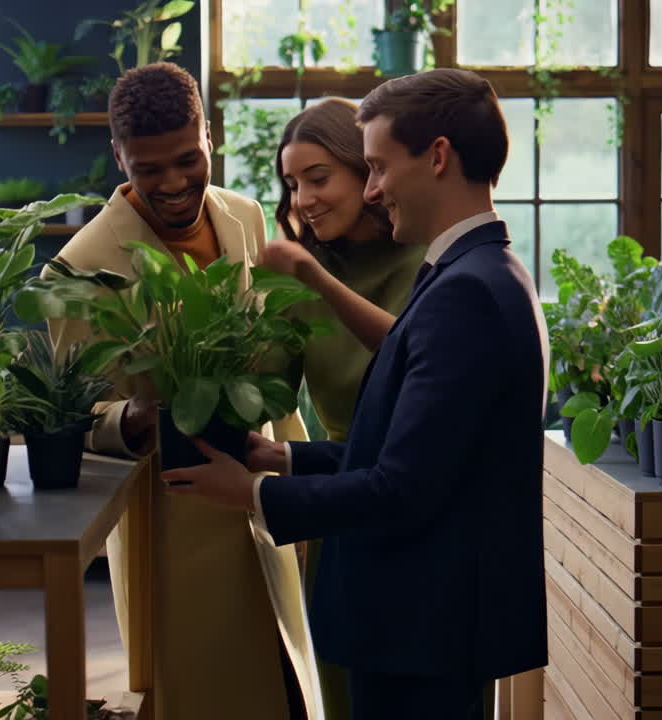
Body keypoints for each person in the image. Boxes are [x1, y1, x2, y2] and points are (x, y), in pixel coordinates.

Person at [162, 68, 550, 720]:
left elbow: (400, 490)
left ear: (438, 157)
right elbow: (423, 463)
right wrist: (284, 458)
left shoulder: (466, 292)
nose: (372, 189)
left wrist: (252, 492)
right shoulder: (472, 273)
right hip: (415, 621)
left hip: (418, 623)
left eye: (378, 167)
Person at [42, 62, 321, 720]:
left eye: (187, 159)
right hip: (171, 528)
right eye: (148, 168)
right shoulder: (78, 267)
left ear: (209, 136)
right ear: (119, 158)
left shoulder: (245, 216)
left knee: (288, 685)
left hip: (263, 492)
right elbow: (74, 414)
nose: (172, 183)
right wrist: (134, 417)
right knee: (201, 695)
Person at [261, 97, 425, 719]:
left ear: (367, 171)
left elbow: (413, 354)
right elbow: (268, 392)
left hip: (419, 515)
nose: (303, 199)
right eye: (292, 184)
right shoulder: (302, 275)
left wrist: (314, 279)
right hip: (338, 510)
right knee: (344, 699)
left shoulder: (427, 258)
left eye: (318, 178)